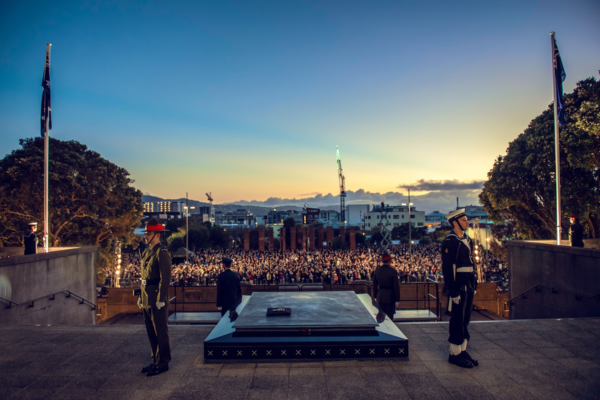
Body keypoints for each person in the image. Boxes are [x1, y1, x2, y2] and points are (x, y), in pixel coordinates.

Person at [442, 209, 478, 369]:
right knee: (457, 319)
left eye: (466, 219)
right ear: (455, 223)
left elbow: (472, 263)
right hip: (458, 285)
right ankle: (454, 354)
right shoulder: (450, 242)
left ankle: (462, 351)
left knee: (465, 318)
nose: (467, 222)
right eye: (464, 220)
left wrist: (474, 283)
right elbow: (448, 268)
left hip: (469, 283)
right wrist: (453, 291)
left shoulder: (468, 240)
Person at [138, 218, 172, 377]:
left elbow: (165, 279)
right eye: (145, 233)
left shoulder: (162, 252)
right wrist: (141, 296)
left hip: (157, 299)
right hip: (147, 297)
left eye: (149, 233)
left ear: (157, 235)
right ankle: (154, 360)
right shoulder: (147, 251)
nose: (145, 236)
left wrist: (161, 298)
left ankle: (163, 362)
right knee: (151, 332)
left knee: (160, 331)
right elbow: (144, 277)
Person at [372, 251, 400, 322]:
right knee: (389, 318)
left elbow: (374, 284)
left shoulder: (377, 270)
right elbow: (396, 286)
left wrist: (375, 296)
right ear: (389, 261)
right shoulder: (392, 271)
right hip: (390, 297)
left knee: (380, 317)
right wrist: (397, 299)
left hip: (380, 296)